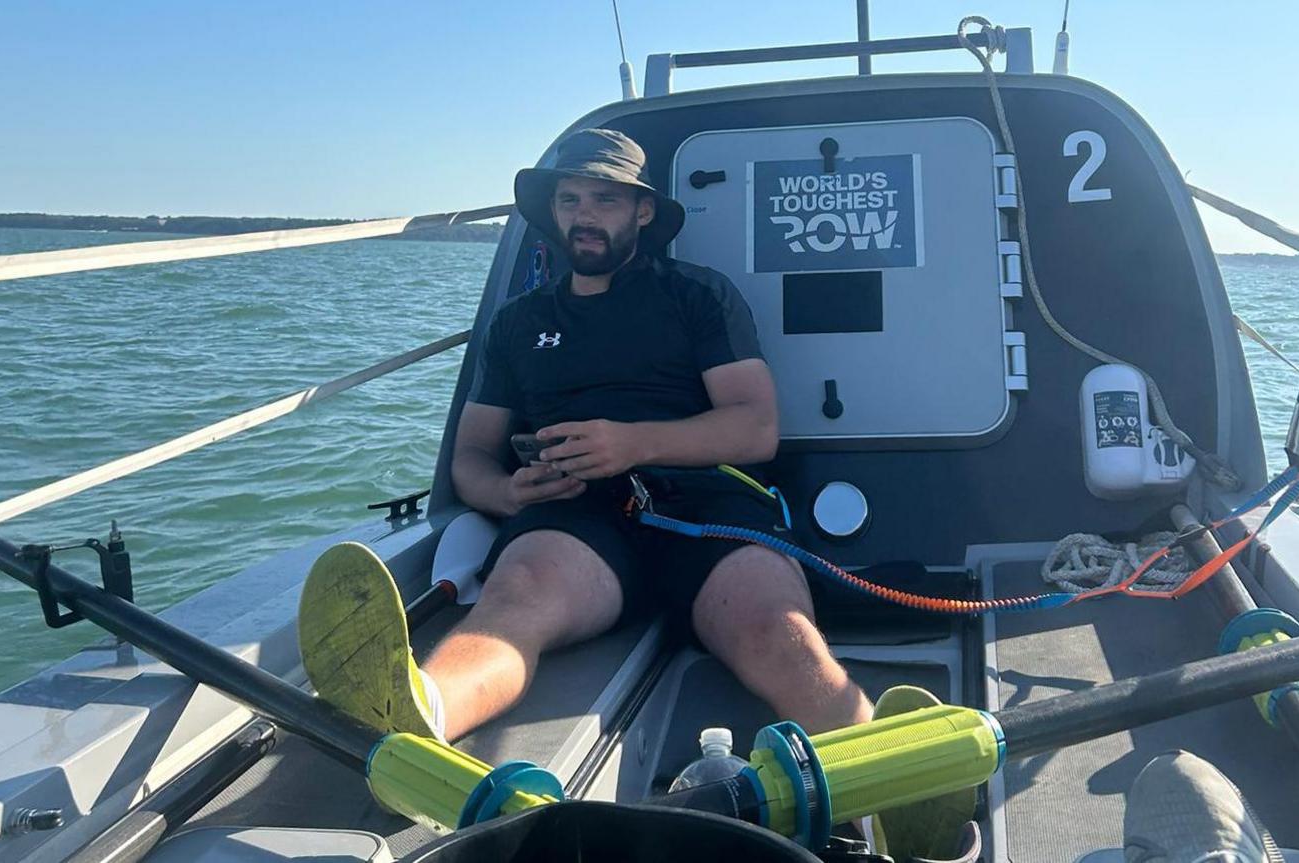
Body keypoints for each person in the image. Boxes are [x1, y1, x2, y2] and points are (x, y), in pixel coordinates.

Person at [298, 128, 872, 747]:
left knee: (775, 626)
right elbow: (470, 456)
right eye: (569, 201)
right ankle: (421, 719)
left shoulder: (698, 295)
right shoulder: (518, 322)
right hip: (573, 518)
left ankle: (877, 762)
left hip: (707, 504)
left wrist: (634, 444)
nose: (584, 217)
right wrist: (510, 494)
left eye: (604, 200)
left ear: (642, 211)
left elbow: (754, 428)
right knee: (515, 599)